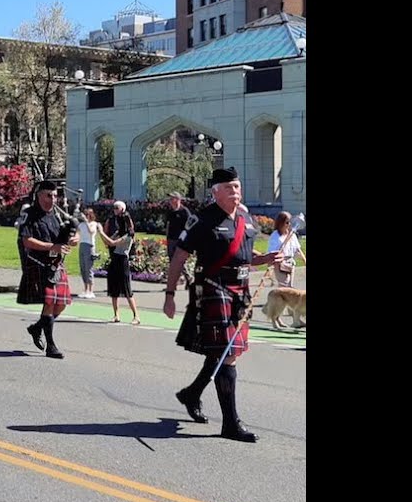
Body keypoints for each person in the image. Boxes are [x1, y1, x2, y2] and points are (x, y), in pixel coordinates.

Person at [164, 167, 281, 442]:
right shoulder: (201, 220)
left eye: (237, 187)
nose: (235, 192)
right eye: (229, 188)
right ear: (215, 192)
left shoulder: (245, 217)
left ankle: (191, 393)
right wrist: (169, 295)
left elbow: (242, 254)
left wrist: (266, 259)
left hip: (240, 291)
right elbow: (179, 257)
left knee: (225, 352)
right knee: (227, 353)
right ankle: (230, 423)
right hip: (214, 289)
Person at [17, 181, 77, 359]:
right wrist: (52, 246)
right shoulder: (29, 214)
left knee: (62, 304)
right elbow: (27, 241)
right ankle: (51, 346)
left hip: (56, 264)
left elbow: (72, 232)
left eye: (55, 195)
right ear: (38, 195)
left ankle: (36, 328)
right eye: (48, 195)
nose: (52, 199)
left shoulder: (57, 215)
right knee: (50, 303)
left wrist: (74, 239)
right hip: (39, 264)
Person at [99, 201, 140, 324]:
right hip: (114, 260)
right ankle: (116, 315)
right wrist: (103, 234)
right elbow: (108, 242)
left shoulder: (128, 236)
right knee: (114, 290)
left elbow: (112, 243)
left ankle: (136, 316)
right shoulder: (118, 233)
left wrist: (100, 232)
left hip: (122, 261)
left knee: (127, 291)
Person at [267, 212, 304, 288]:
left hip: (290, 263)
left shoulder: (292, 234)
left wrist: (304, 260)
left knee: (290, 287)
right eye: (287, 222)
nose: (289, 224)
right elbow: (272, 252)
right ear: (281, 223)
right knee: (284, 287)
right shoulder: (275, 236)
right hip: (280, 264)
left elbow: (298, 249)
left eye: (290, 222)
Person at [76, 208, 101, 299]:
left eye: (87, 214)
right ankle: (85, 289)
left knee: (88, 268)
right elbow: (77, 234)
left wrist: (86, 221)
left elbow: (91, 232)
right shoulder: (81, 225)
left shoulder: (94, 224)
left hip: (89, 246)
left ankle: (91, 290)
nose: (85, 216)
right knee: (83, 268)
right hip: (82, 245)